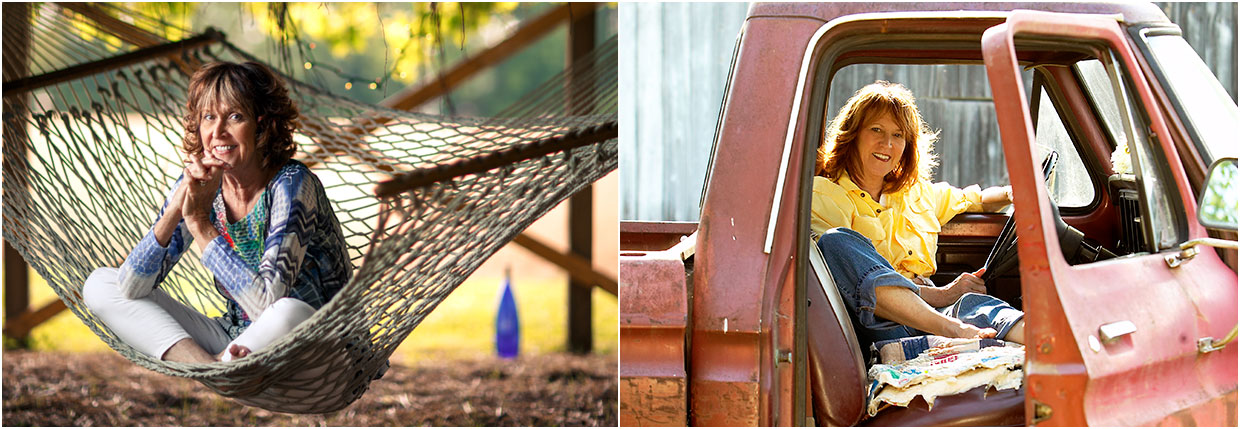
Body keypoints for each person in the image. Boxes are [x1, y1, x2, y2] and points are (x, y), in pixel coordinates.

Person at [83, 61, 352, 364]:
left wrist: (199, 223)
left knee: (287, 309)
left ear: (262, 125)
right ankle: (207, 367)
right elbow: (132, 286)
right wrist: (178, 205)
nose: (218, 132)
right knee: (102, 284)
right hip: (236, 344)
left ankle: (227, 365)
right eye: (209, 117)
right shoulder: (204, 186)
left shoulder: (292, 184)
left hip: (317, 348)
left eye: (235, 116)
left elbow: (267, 306)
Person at [811, 81, 1024, 358]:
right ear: (853, 134)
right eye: (876, 129)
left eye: (898, 135)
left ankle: (1053, 347)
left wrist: (1014, 192)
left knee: (980, 305)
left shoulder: (917, 193)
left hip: (938, 311)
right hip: (882, 324)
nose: (886, 144)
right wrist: (942, 296)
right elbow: (851, 280)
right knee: (835, 241)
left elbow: (976, 199)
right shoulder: (824, 194)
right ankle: (953, 331)